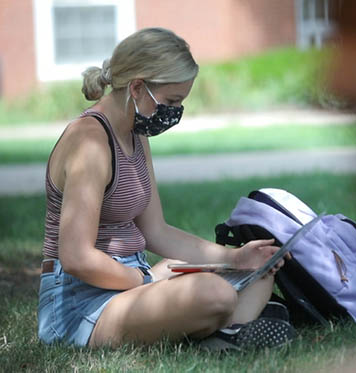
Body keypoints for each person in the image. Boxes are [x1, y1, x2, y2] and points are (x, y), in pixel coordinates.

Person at [37, 27, 294, 350]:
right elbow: (76, 257)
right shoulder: (90, 143)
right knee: (214, 293)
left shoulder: (135, 134)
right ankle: (227, 328)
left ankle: (221, 333)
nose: (174, 113)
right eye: (172, 101)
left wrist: (235, 258)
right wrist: (143, 281)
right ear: (137, 88)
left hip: (133, 280)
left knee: (258, 274)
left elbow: (157, 232)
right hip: (82, 304)